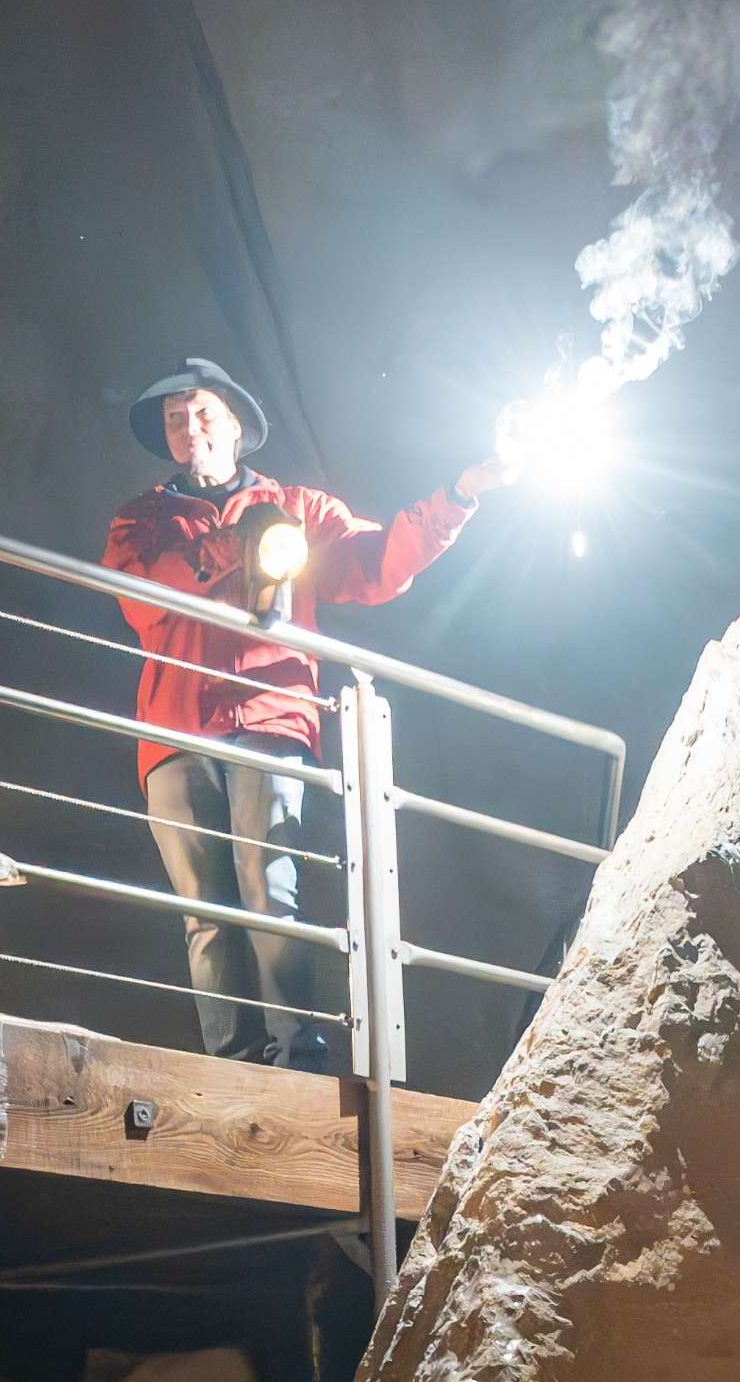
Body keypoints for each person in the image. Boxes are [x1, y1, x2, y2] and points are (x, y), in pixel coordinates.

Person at [103, 354, 506, 1069]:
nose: (187, 427)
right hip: (174, 731)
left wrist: (460, 494)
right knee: (206, 912)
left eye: (200, 413)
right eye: (174, 419)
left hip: (269, 717)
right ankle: (232, 1063)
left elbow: (378, 562)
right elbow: (142, 600)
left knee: (270, 887)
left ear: (235, 426)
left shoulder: (299, 509)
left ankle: (298, 1057)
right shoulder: (139, 518)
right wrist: (238, 541)